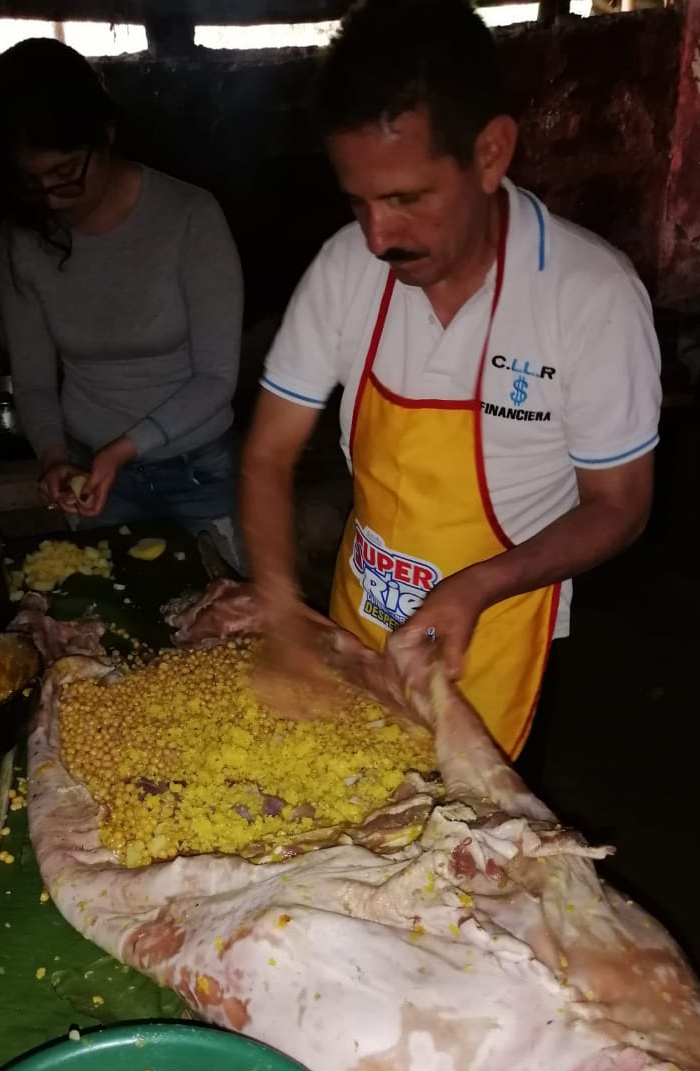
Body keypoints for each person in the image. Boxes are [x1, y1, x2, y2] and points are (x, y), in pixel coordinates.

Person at [241, 0, 660, 760]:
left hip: (486, 647)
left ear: (492, 152)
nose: (378, 238)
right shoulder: (345, 269)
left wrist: (479, 585)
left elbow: (620, 505)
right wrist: (278, 610)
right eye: (358, 202)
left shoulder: (587, 294)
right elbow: (270, 452)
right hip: (355, 633)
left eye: (406, 199)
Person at [0, 38, 246, 569]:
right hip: (94, 475)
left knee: (226, 628)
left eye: (64, 175)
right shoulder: (24, 241)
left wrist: (125, 448)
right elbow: (34, 381)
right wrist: (54, 456)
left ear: (104, 135)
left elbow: (217, 378)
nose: (53, 199)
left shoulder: (189, 218)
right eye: (33, 184)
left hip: (199, 470)